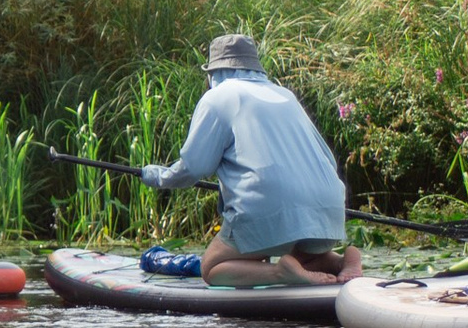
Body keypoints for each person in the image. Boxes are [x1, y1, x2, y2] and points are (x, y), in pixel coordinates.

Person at [144, 35, 359, 287]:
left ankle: (281, 272)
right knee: (302, 256)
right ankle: (342, 261)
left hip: (267, 207)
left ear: (216, 71)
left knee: (212, 268)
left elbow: (194, 168)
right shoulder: (285, 95)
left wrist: (157, 176)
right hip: (328, 208)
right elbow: (327, 160)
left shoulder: (218, 97)